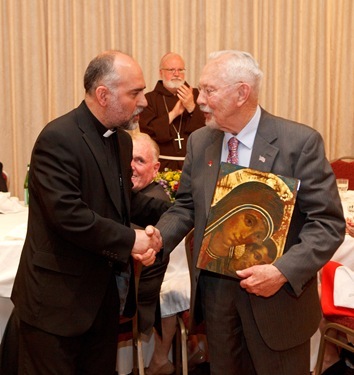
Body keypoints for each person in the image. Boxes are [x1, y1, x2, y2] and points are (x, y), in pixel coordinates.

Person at [155, 50, 346, 375]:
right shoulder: (200, 142)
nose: (200, 100)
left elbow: (327, 224)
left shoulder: (298, 143)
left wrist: (283, 271)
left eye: (209, 90)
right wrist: (157, 238)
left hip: (278, 302)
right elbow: (186, 205)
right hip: (218, 300)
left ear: (242, 92)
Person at [10, 50, 171, 375]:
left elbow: (120, 202)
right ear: (103, 95)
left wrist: (167, 221)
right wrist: (131, 240)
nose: (143, 101)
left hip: (101, 302)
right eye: (135, 93)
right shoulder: (59, 138)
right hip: (56, 307)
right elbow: (68, 216)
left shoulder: (122, 142)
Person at [130, 132, 206, 375]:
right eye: (128, 159)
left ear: (156, 168)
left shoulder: (155, 204)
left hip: (144, 292)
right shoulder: (136, 196)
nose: (131, 166)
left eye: (139, 161)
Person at [139, 52, 205, 170]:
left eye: (180, 70)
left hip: (193, 164)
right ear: (161, 72)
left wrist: (191, 107)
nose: (176, 74)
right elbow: (147, 131)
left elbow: (207, 129)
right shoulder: (149, 99)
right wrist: (173, 114)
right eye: (171, 70)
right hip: (162, 166)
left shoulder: (196, 95)